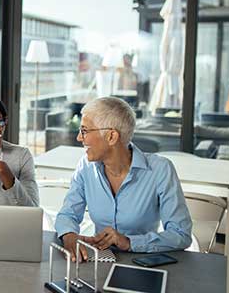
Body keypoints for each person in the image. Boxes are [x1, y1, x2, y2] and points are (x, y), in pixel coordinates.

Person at [55, 97, 192, 262]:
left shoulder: (160, 170)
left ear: (111, 136)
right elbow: (67, 214)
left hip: (143, 265)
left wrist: (129, 242)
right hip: (99, 262)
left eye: (84, 131)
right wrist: (69, 235)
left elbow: (181, 234)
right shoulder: (86, 167)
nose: (79, 137)